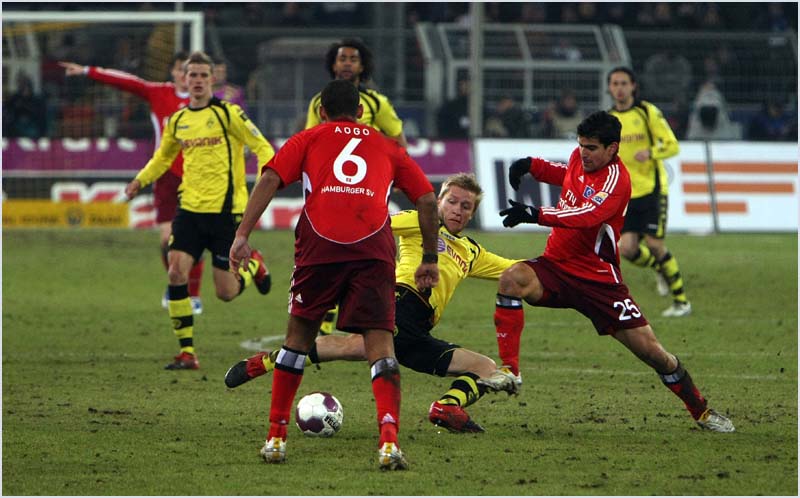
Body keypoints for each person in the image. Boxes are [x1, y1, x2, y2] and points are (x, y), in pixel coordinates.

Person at [227, 79, 440, 470]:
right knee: (381, 345)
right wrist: (429, 256)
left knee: (296, 341)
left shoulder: (307, 138)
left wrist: (243, 235)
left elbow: (271, 178)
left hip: (319, 249)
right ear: (361, 111)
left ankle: (275, 438)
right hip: (373, 250)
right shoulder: (388, 146)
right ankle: (389, 442)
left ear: (321, 110)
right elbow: (427, 199)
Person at [495, 110, 735, 433]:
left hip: (599, 282)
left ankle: (701, 411)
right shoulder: (580, 160)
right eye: (581, 145)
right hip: (556, 266)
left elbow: (586, 214)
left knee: (654, 354)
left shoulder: (618, 182)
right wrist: (531, 165)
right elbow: (566, 174)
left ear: (612, 149)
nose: (584, 153)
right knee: (512, 279)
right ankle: (510, 372)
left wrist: (535, 213)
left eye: (591, 147)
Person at [224, 173, 520, 433]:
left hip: (419, 330)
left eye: (465, 206)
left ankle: (446, 408)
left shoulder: (472, 251)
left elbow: (515, 269)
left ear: (472, 214)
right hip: (399, 303)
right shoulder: (420, 221)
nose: (457, 210)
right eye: (452, 202)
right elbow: (375, 224)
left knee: (485, 366)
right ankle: (266, 363)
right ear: (438, 201)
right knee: (352, 347)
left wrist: (555, 263)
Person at [124, 51, 275, 370]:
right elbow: (163, 158)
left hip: (225, 215)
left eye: (203, 75)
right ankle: (187, 353)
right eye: (191, 75)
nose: (196, 80)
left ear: (212, 79)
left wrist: (266, 178)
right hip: (189, 211)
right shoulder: (178, 120)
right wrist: (140, 181)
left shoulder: (228, 114)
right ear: (184, 78)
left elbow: (263, 147)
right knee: (176, 270)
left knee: (226, 292)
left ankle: (254, 265)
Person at [60, 53, 206, 315]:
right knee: (167, 240)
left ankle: (192, 295)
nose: (188, 76)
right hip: (166, 177)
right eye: (182, 70)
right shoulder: (158, 93)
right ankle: (176, 281)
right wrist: (87, 71)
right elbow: (125, 82)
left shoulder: (209, 104)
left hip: (199, 177)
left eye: (193, 72)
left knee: (195, 239)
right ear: (174, 73)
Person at [305, 38, 409, 334]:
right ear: (333, 64)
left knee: (360, 250)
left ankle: (365, 312)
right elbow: (312, 141)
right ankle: (326, 318)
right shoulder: (318, 102)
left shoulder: (378, 102)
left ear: (363, 66)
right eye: (342, 58)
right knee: (329, 247)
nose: (347, 63)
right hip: (331, 187)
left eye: (353, 59)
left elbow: (398, 141)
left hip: (367, 189)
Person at [607, 66, 692, 318]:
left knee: (655, 243)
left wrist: (651, 153)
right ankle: (660, 269)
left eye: (624, 83)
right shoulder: (609, 119)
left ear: (633, 86)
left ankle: (681, 302)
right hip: (626, 194)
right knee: (627, 249)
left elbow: (672, 145)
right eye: (615, 83)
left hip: (652, 190)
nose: (619, 88)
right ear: (610, 88)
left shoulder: (647, 112)